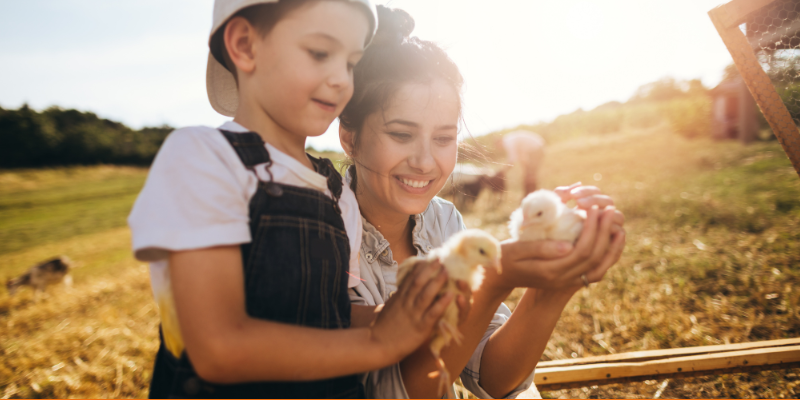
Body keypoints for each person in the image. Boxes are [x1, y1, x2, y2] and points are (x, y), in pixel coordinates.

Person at [128, 1, 456, 398]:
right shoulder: (204, 157)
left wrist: (408, 315)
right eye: (320, 53)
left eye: (351, 63)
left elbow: (330, 316)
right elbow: (217, 348)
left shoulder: (337, 195)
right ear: (245, 46)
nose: (340, 80)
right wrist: (380, 342)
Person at [339, 6, 626, 399]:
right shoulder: (322, 234)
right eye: (401, 135)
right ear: (349, 137)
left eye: (443, 139)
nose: (425, 162)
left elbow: (493, 378)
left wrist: (554, 286)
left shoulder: (443, 221)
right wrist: (492, 282)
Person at [496, 130, 545, 195]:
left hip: (537, 149)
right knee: (529, 174)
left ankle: (533, 193)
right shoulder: (509, 139)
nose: (499, 148)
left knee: (531, 174)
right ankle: (531, 193)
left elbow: (511, 160)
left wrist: (503, 171)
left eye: (498, 146)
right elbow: (519, 155)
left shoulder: (508, 142)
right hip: (535, 148)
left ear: (499, 142)